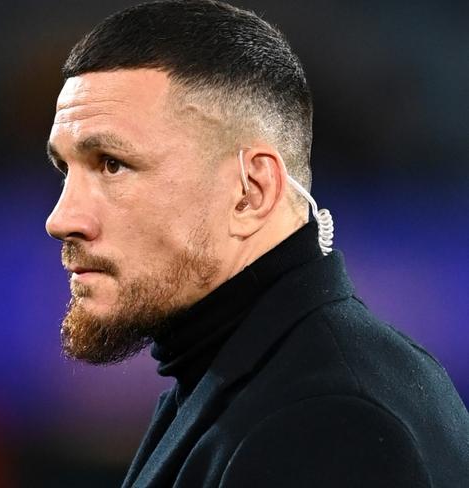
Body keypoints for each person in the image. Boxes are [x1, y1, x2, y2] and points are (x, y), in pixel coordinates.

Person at [44, 1, 469, 486]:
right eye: (65, 169)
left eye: (111, 164)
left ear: (251, 192)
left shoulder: (325, 422)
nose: (61, 219)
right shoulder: (238, 378)